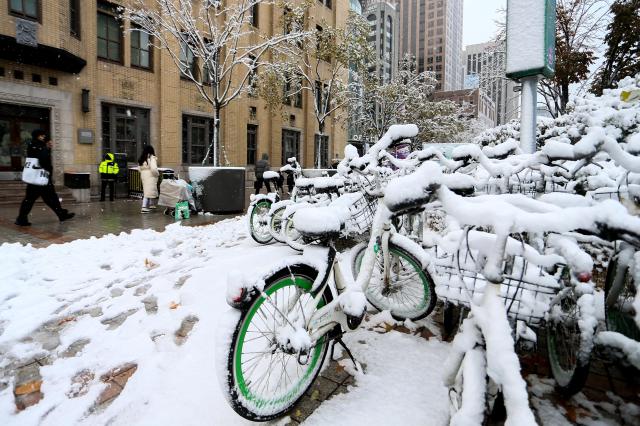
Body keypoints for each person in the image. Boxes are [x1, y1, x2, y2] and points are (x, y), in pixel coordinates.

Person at [15, 131, 75, 226]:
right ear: (38, 136)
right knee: (41, 198)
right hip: (39, 177)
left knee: (41, 198)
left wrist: (46, 148)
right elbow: (43, 160)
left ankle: (22, 218)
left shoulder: (34, 145)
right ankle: (21, 218)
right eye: (42, 135)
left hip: (37, 178)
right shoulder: (37, 145)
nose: (44, 137)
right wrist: (47, 149)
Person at [138, 145, 159, 213]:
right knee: (148, 192)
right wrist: (157, 174)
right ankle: (144, 207)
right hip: (151, 176)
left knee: (147, 190)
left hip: (144, 176)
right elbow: (153, 168)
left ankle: (151, 204)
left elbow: (139, 169)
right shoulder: (151, 158)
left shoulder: (142, 158)